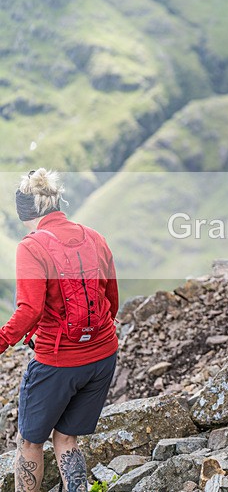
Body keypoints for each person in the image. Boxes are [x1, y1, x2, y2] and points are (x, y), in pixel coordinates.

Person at [0, 169, 119, 492]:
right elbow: (111, 299)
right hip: (104, 355)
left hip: (58, 361)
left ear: (25, 213)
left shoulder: (32, 247)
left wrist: (2, 341)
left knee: (30, 442)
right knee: (66, 437)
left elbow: (30, 310)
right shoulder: (94, 237)